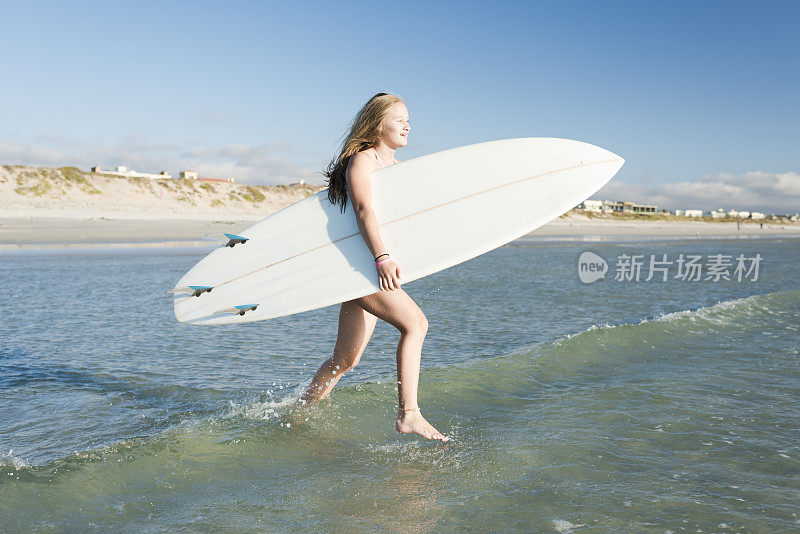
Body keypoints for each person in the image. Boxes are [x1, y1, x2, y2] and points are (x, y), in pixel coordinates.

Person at [300, 92, 449, 442]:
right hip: (364, 265)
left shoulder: (398, 169)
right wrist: (382, 258)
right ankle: (409, 414)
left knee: (344, 361)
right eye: (399, 119)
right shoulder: (363, 162)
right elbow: (365, 211)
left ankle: (300, 412)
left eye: (409, 118)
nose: (408, 125)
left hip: (362, 267)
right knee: (416, 324)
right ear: (377, 123)